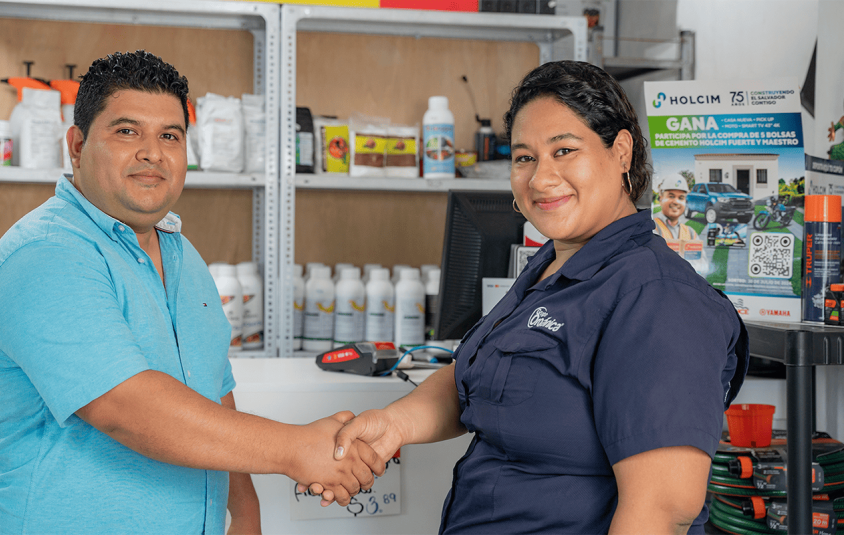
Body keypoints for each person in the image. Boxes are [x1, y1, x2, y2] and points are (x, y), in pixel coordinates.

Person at [314, 61, 749, 533]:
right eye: (524, 158)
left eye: (564, 150)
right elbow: (475, 377)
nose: (541, 178)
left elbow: (663, 509)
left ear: (621, 151)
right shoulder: (549, 268)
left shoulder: (660, 298)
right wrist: (393, 426)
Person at [0, 51, 377, 534]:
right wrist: (297, 450)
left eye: (170, 135)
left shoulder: (181, 254)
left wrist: (244, 514)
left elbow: (212, 396)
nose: (152, 152)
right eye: (127, 131)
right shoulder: (45, 255)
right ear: (77, 146)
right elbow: (128, 407)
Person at [654, 175, 699, 241]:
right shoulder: (651, 227)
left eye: (681, 198)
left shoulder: (691, 233)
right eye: (671, 196)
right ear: (661, 199)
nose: (676, 202)